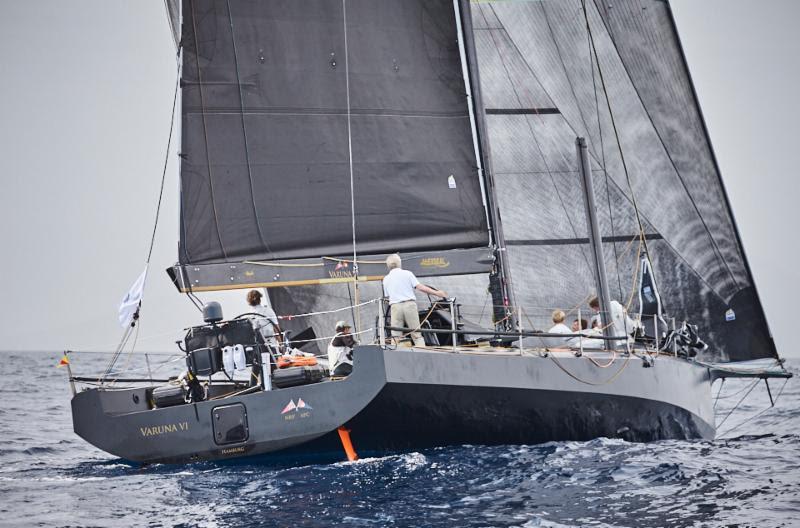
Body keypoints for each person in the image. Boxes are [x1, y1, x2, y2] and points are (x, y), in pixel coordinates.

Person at [382, 254, 446, 347]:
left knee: (396, 336)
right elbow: (420, 287)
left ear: (388, 265)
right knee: (416, 334)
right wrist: (437, 293)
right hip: (409, 305)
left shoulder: (386, 279)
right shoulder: (407, 274)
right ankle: (421, 351)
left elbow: (387, 296)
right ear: (399, 263)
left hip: (395, 307)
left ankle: (395, 354)